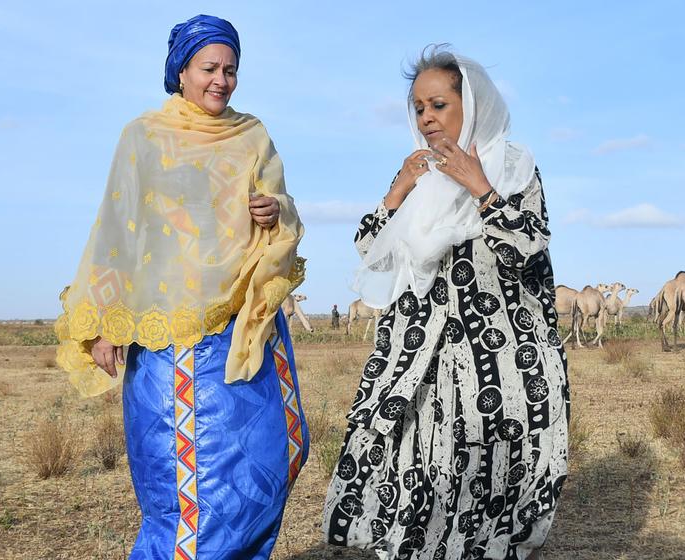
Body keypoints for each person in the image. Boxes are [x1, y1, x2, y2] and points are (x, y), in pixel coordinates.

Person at [53, 15, 308, 559]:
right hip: (171, 339)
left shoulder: (251, 134)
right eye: (209, 68)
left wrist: (274, 210)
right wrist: (104, 324)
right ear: (182, 71)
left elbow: (282, 208)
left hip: (246, 329)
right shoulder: (143, 137)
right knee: (191, 484)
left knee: (273, 456)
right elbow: (118, 229)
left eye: (231, 70)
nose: (221, 80)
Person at [322, 45, 569, 560]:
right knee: (418, 474)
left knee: (490, 474)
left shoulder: (512, 165)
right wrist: (398, 191)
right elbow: (372, 250)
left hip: (497, 361)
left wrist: (480, 188)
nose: (427, 118)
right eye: (418, 108)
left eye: (438, 105)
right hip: (421, 356)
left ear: (471, 104)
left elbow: (527, 247)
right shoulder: (419, 176)